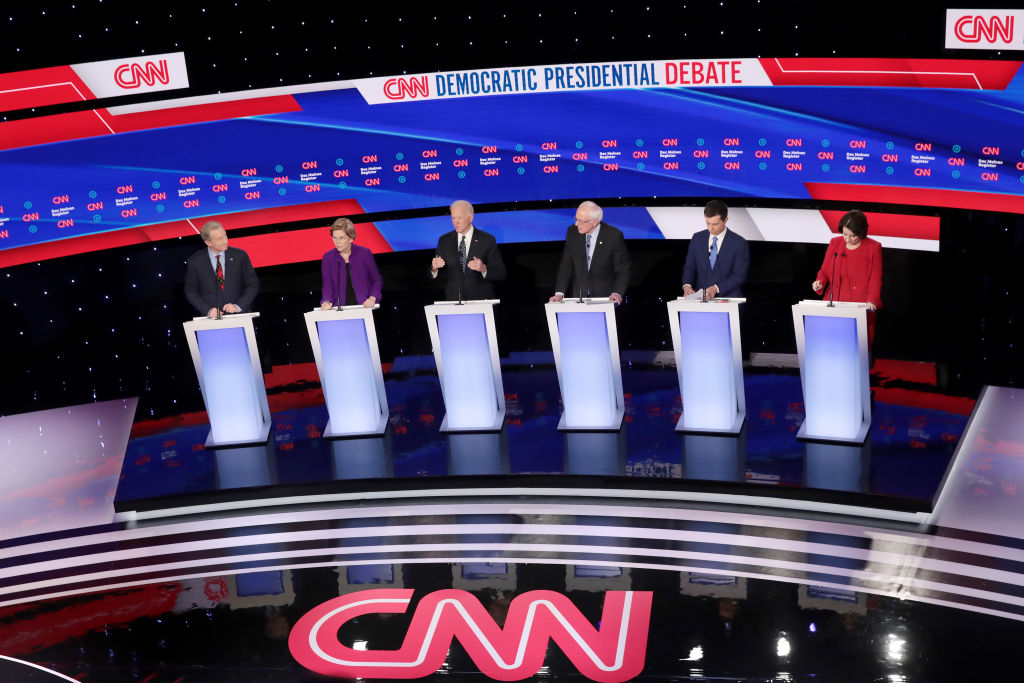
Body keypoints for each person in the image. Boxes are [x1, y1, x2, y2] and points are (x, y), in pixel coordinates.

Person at [812, 209, 882, 345]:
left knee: (855, 346)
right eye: (844, 234)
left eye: (852, 236)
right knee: (831, 344)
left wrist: (872, 300)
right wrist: (819, 282)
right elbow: (825, 271)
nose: (847, 239)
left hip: (859, 305)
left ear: (862, 233)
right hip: (834, 302)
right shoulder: (835, 243)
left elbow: (875, 279)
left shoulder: (873, 248)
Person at [549, 201, 630, 304]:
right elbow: (566, 265)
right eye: (576, 219)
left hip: (606, 299)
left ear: (595, 222)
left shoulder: (613, 236)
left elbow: (623, 270)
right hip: (579, 299)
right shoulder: (572, 232)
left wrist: (617, 293)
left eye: (581, 221)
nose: (576, 224)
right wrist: (559, 293)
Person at [430, 199, 506, 300]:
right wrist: (434, 268)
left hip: (480, 301)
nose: (455, 222)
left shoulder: (487, 239)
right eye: (453, 218)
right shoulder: (444, 240)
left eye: (459, 218)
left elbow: (500, 273)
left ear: (470, 218)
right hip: (454, 302)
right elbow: (437, 276)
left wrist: (483, 268)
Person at [184, 220, 259, 318]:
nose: (225, 240)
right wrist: (208, 310)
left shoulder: (240, 255)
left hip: (240, 316)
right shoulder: (195, 262)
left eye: (225, 236)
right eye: (220, 238)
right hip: (210, 320)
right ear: (208, 242)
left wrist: (238, 306)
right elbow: (191, 291)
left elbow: (252, 285)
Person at [682, 199, 749, 299]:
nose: (710, 228)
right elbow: (690, 267)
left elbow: (739, 275)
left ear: (725, 220)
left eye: (715, 224)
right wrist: (687, 285)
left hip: (728, 300)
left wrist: (716, 288)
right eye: (707, 223)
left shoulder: (739, 243)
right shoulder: (697, 238)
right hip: (699, 300)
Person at [320, 218, 383, 309]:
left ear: (351, 238)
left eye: (342, 238)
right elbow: (327, 285)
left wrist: (372, 299)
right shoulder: (328, 257)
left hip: (364, 307)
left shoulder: (364, 253)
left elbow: (377, 280)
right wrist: (326, 301)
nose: (338, 242)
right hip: (340, 310)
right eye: (334, 238)